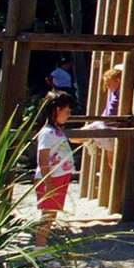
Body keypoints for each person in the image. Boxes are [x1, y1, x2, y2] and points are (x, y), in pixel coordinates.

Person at [34, 90, 80, 247]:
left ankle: (42, 245)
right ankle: (40, 247)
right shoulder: (47, 133)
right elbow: (43, 157)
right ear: (57, 110)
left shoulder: (57, 131)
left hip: (59, 177)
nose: (68, 115)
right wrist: (47, 181)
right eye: (66, 111)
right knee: (47, 215)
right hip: (51, 179)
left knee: (51, 214)